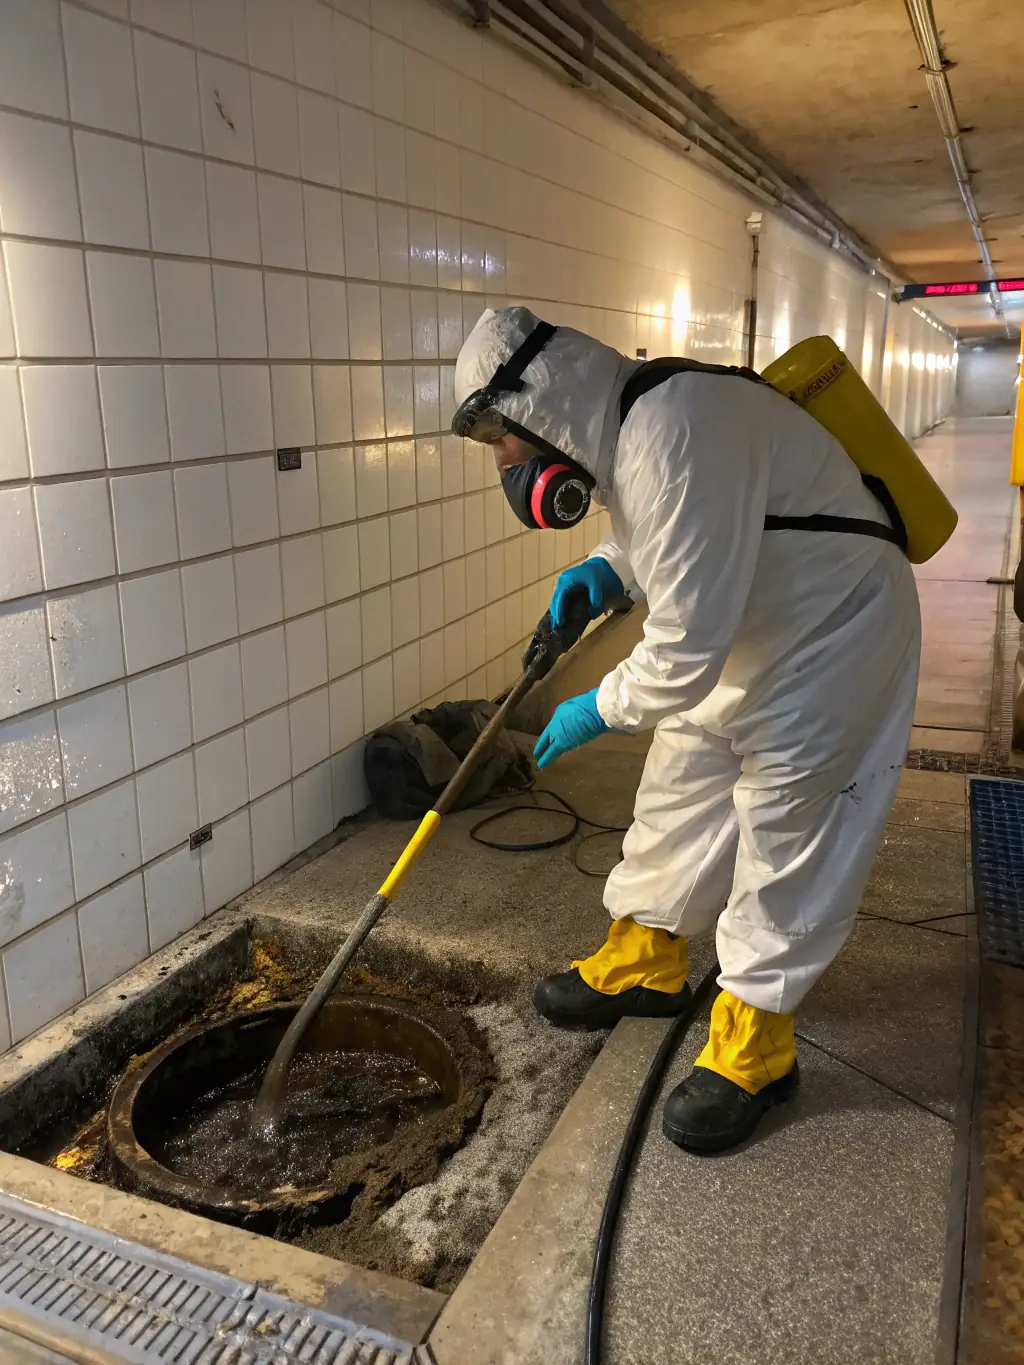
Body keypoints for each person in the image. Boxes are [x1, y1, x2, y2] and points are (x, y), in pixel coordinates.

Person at [452, 306, 920, 1152]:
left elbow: (681, 653)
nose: (507, 463)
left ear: (539, 403)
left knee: (789, 824)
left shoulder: (673, 426)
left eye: (501, 442)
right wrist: (608, 565)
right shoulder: (634, 420)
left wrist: (594, 705)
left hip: (833, 630)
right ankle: (648, 959)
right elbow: (678, 528)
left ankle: (756, 1043)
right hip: (750, 620)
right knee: (679, 787)